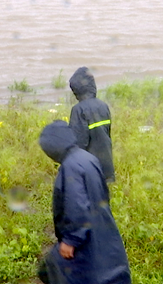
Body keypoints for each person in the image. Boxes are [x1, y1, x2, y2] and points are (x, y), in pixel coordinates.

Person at [38, 120, 131, 284]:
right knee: (104, 264)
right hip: (99, 220)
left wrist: (70, 240)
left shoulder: (70, 167)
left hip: (82, 231)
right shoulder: (87, 158)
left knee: (60, 267)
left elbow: (76, 205)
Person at [68, 66, 115, 183]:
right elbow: (107, 134)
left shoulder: (78, 110)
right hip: (107, 166)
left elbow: (78, 142)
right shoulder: (103, 106)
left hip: (89, 170)